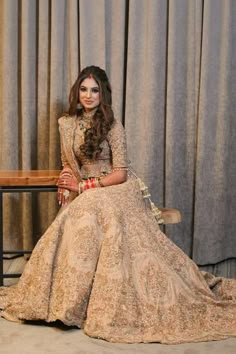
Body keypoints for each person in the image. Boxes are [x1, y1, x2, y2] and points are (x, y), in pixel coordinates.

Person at [0, 65, 236, 344]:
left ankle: (103, 301)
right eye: (84, 89)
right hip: (87, 193)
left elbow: (121, 172)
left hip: (117, 188)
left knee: (98, 206)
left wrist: (84, 187)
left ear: (103, 94)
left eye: (95, 90)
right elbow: (68, 163)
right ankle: (70, 302)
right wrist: (66, 180)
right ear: (78, 91)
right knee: (81, 213)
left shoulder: (112, 125)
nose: (89, 95)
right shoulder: (65, 124)